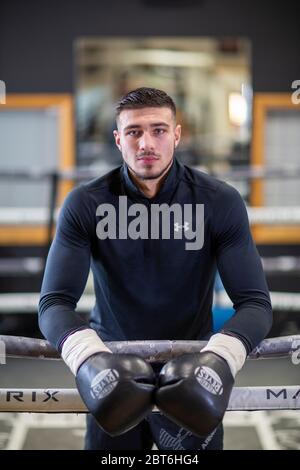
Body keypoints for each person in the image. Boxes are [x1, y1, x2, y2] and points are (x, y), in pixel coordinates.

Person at [38, 87, 273, 450]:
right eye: (134, 132)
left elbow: (255, 303)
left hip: (191, 370)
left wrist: (219, 361)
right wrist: (89, 360)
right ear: (118, 139)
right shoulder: (86, 203)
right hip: (111, 369)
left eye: (159, 130)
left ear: (176, 135)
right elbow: (53, 301)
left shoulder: (218, 201)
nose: (146, 142)